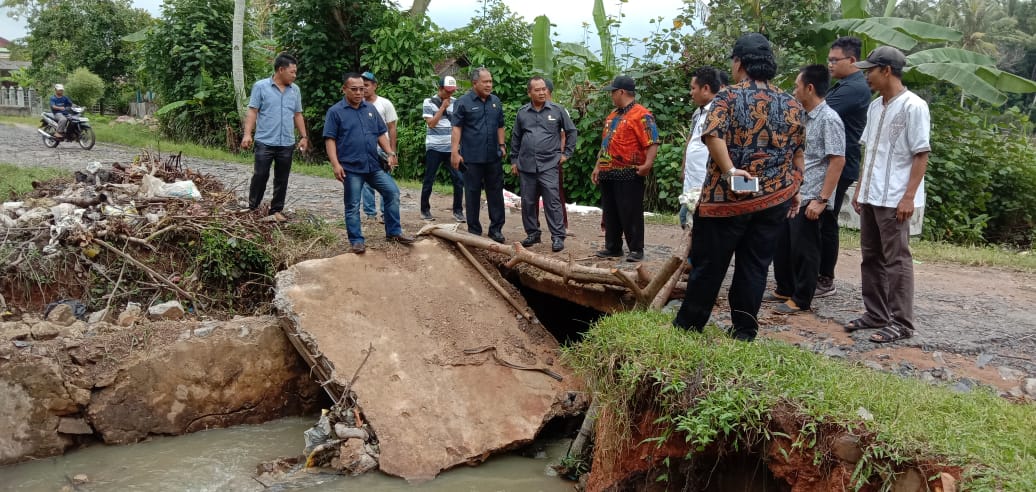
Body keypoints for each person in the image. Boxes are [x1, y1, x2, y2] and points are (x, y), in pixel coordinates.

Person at [671, 33, 805, 342]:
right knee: (754, 266)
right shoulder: (790, 102)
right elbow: (797, 152)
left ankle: (689, 326)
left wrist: (731, 171)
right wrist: (795, 190)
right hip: (774, 197)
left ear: (738, 63)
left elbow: (713, 135)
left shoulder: (728, 97)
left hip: (726, 198)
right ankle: (744, 330)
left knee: (709, 265)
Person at [847, 46, 930, 343]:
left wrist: (908, 197)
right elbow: (870, 152)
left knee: (897, 260)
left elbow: (921, 154)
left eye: (870, 70)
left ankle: (902, 322)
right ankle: (876, 313)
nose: (866, 76)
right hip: (871, 195)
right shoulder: (875, 106)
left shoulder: (914, 106)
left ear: (886, 71)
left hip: (895, 197)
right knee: (870, 256)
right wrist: (859, 189)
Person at [770, 64, 846, 314]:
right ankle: (785, 288)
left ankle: (802, 298)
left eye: (797, 85)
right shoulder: (801, 115)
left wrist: (822, 199)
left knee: (806, 249)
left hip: (812, 195)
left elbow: (837, 160)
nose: (794, 90)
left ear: (809, 88)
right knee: (783, 245)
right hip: (793, 192)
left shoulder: (829, 119)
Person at [323, 72, 415, 254]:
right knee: (352, 205)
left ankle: (394, 232)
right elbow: (330, 139)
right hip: (351, 167)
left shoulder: (370, 110)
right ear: (344, 89)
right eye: (354, 89)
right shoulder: (335, 112)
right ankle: (356, 240)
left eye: (362, 89)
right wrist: (335, 164)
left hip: (373, 166)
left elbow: (381, 133)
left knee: (392, 192)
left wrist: (389, 152)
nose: (359, 92)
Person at [817, 36, 873, 298]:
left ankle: (825, 278)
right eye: (828, 60)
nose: (830, 65)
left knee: (826, 218)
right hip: (829, 164)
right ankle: (814, 271)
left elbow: (818, 112)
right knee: (819, 218)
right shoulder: (842, 85)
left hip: (839, 165)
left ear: (852, 61)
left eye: (834, 60)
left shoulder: (854, 89)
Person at [591, 75, 659, 262]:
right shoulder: (612, 115)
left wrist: (647, 165)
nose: (611, 96)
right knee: (610, 212)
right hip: (608, 171)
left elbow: (652, 142)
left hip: (630, 172)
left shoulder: (642, 114)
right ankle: (612, 247)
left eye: (613, 92)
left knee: (630, 211)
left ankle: (636, 249)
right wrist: (598, 167)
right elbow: (605, 144)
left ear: (621, 92)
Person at [510, 76, 578, 252]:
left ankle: (557, 237)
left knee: (552, 201)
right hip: (526, 165)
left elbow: (571, 131)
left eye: (543, 89)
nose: (542, 92)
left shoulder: (557, 110)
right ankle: (533, 234)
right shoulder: (522, 112)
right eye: (537, 90)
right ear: (529, 92)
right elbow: (516, 137)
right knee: (528, 201)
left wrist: (566, 154)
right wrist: (514, 160)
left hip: (549, 164)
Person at [240, 53, 309, 222]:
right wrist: (248, 134)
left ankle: (276, 210)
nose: (295, 75)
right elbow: (253, 111)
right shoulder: (261, 87)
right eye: (292, 72)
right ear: (281, 70)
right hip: (265, 141)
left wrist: (304, 136)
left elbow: (298, 114)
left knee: (282, 178)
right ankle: (253, 208)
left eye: (295, 72)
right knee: (260, 175)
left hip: (286, 142)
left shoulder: (295, 90)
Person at [451, 67, 507, 244]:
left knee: (496, 194)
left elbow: (500, 125)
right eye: (485, 81)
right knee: (472, 193)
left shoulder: (496, 102)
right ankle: (474, 230)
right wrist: (455, 152)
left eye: (490, 81)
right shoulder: (463, 102)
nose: (489, 85)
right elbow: (457, 128)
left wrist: (502, 145)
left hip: (493, 157)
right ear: (475, 83)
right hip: (472, 158)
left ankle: (496, 229)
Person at [678, 67, 726, 230]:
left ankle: (695, 255)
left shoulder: (719, 112)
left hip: (705, 180)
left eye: (693, 88)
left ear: (705, 88)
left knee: (694, 221)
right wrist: (684, 167)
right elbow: (691, 140)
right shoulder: (699, 113)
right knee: (687, 219)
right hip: (693, 179)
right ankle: (691, 254)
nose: (691, 93)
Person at [420, 76, 465, 223]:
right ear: (440, 89)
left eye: (452, 91)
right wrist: (442, 108)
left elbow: (459, 124)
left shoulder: (457, 102)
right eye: (447, 91)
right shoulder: (429, 102)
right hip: (434, 146)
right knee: (429, 178)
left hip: (451, 148)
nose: (450, 94)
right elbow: (431, 124)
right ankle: (425, 209)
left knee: (458, 179)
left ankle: (458, 211)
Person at [360, 71, 398, 222]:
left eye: (367, 85)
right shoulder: (357, 103)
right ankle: (370, 213)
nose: (364, 89)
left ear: (375, 86)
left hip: (383, 148)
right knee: (365, 181)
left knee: (384, 179)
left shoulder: (385, 104)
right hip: (364, 148)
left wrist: (392, 151)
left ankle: (385, 212)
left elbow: (392, 128)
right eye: (361, 86)